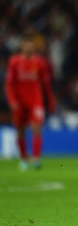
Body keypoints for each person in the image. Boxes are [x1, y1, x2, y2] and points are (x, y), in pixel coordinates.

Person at [5, 36, 56, 170]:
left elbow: (46, 84)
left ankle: (36, 159)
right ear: (22, 46)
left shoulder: (40, 63)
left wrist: (51, 101)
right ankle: (24, 159)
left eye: (31, 46)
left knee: (36, 128)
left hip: (35, 101)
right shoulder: (14, 62)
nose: (28, 48)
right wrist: (12, 100)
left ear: (34, 47)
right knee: (20, 130)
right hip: (19, 102)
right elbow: (9, 84)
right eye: (26, 45)